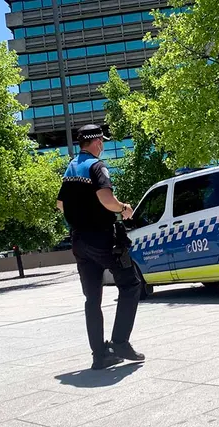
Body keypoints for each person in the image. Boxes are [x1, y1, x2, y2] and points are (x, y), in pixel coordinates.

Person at [56, 124, 145, 370]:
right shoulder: (96, 166)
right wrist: (123, 208)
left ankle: (99, 355)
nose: (103, 145)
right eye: (102, 141)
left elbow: (61, 204)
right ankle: (120, 342)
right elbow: (106, 199)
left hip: (79, 241)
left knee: (92, 299)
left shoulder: (72, 167)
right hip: (101, 238)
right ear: (96, 143)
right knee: (131, 283)